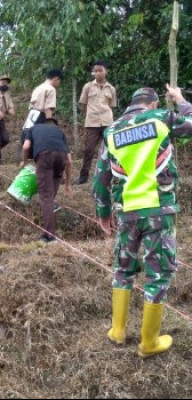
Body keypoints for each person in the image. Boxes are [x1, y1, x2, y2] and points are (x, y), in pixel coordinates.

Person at [93, 85, 192, 359]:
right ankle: (148, 343)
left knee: (123, 270)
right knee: (158, 274)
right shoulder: (160, 118)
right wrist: (181, 100)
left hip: (126, 213)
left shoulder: (111, 132)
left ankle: (118, 331)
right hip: (158, 210)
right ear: (152, 103)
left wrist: (103, 213)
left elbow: (101, 178)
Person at [21, 118, 73, 242]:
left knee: (46, 197)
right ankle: (50, 211)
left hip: (44, 156)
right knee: (49, 196)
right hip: (61, 158)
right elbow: (70, 161)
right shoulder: (59, 132)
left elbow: (26, 146)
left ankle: (49, 236)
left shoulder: (33, 128)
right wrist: (67, 184)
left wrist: (24, 162)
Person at [74, 60, 117, 184]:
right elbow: (83, 104)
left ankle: (112, 176)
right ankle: (83, 177)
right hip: (92, 123)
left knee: (111, 150)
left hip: (107, 123)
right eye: (95, 71)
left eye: (100, 70)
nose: (97, 73)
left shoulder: (111, 89)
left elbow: (111, 105)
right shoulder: (88, 86)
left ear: (106, 71)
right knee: (89, 150)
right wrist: (90, 114)